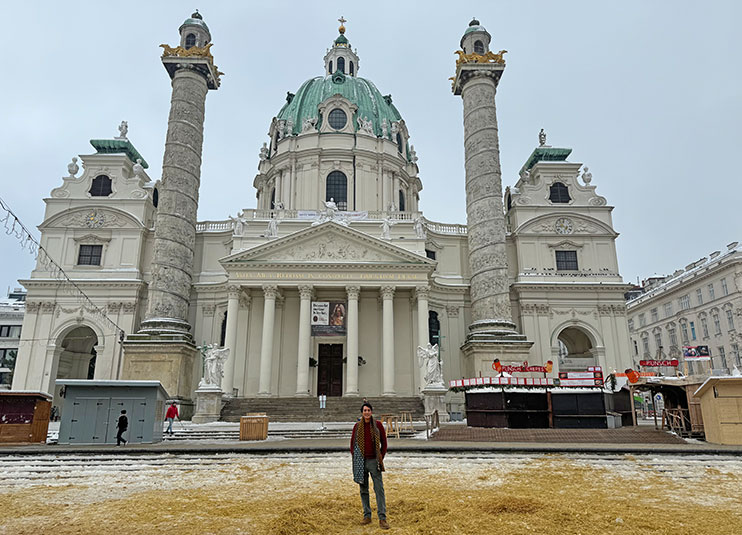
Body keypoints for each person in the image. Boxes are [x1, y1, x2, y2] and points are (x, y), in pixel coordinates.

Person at [350, 402, 389, 529]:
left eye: (368, 410)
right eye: (364, 410)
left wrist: (380, 457)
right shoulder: (357, 426)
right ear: (362, 413)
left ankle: (382, 518)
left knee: (379, 489)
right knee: (363, 489)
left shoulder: (377, 425)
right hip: (361, 461)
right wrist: (356, 458)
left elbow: (384, 442)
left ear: (371, 412)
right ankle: (367, 515)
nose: (366, 412)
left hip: (374, 461)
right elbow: (352, 444)